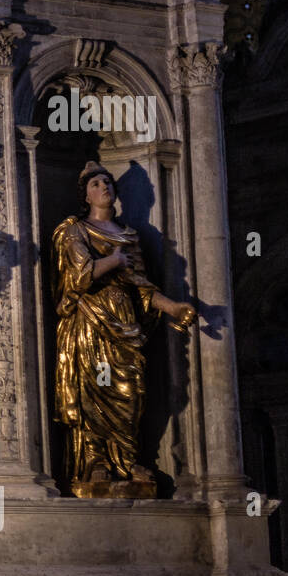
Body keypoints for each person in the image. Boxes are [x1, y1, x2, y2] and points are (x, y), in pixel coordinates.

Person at [52, 161, 196, 495]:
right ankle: (95, 461)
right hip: (89, 321)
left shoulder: (129, 235)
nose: (104, 187)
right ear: (85, 195)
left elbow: (142, 288)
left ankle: (126, 459)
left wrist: (174, 307)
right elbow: (77, 276)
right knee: (93, 390)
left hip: (124, 322)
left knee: (130, 392)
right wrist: (114, 261)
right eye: (95, 184)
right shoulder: (74, 230)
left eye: (107, 182)